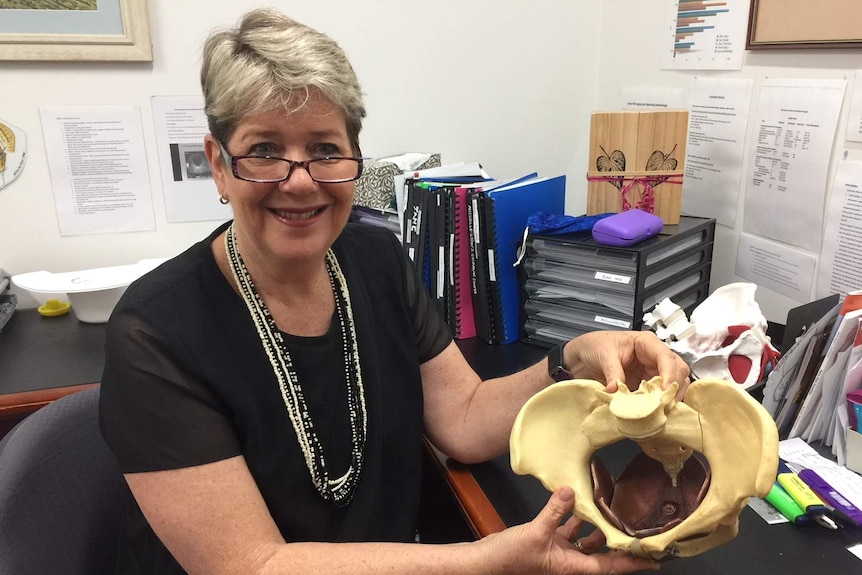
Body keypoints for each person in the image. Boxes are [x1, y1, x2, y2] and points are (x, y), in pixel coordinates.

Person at [98, 7, 690, 574]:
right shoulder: (155, 333)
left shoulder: (376, 259)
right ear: (219, 165)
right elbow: (253, 564)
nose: (300, 180)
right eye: (264, 150)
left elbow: (462, 418)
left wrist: (573, 359)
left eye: (326, 149)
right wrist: (485, 563)